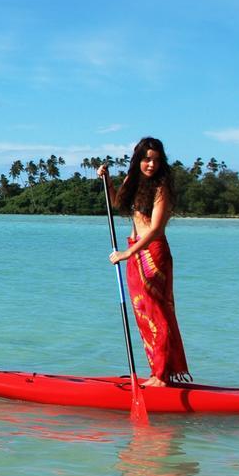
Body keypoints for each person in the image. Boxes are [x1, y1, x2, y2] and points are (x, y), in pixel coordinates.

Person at [98, 137, 191, 387]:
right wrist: (107, 182)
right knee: (143, 314)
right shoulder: (133, 181)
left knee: (156, 313)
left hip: (152, 254)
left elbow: (156, 229)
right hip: (134, 251)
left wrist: (128, 253)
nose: (151, 165)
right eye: (147, 159)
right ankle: (159, 372)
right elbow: (118, 202)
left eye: (156, 160)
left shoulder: (162, 189)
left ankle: (162, 376)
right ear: (138, 159)